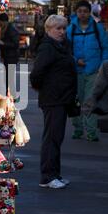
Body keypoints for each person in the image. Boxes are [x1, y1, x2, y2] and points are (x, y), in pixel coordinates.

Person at [30, 15, 78, 189]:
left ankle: (55, 174)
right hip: (53, 99)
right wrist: (43, 88)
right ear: (48, 30)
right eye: (58, 28)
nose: (62, 32)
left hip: (61, 98)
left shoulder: (61, 46)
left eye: (64, 28)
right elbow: (36, 74)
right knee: (51, 137)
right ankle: (47, 176)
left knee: (57, 137)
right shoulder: (48, 48)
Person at [67, 0, 108, 142]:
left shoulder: (98, 29)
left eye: (85, 11)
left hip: (94, 71)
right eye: (80, 11)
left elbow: (106, 48)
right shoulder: (71, 29)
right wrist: (75, 60)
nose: (83, 14)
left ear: (89, 12)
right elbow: (65, 51)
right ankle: (78, 128)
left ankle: (91, 131)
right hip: (76, 71)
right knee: (76, 100)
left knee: (90, 100)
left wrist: (102, 66)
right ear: (76, 12)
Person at [0, 13, 19, 93]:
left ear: (4, 21)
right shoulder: (6, 28)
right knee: (7, 77)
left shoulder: (11, 29)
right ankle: (8, 93)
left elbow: (15, 44)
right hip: (8, 56)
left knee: (9, 77)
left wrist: (3, 43)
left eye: (0, 22)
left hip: (12, 57)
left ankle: (11, 95)